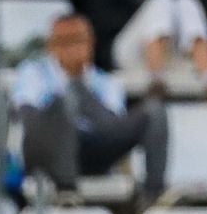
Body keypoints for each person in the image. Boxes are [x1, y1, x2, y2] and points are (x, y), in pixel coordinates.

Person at [12, 13, 166, 199]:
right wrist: (68, 94)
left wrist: (79, 86)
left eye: (79, 40)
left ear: (91, 43)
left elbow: (110, 127)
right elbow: (28, 119)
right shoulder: (33, 73)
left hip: (92, 149)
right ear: (51, 46)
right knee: (63, 103)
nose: (74, 48)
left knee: (154, 111)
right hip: (47, 154)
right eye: (65, 41)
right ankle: (65, 192)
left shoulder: (106, 82)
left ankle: (153, 197)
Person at [111, 0, 207, 96]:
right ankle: (156, 78)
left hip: (174, 57)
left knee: (187, 0)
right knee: (160, 0)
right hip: (132, 52)